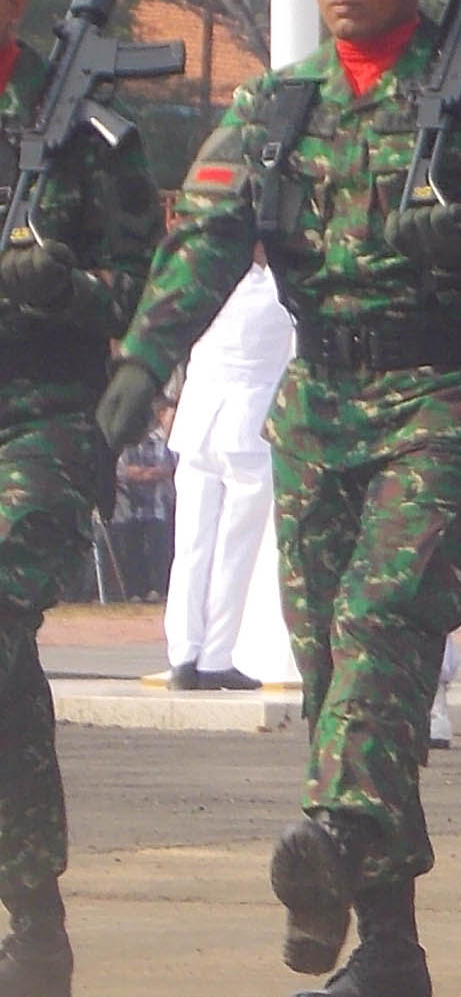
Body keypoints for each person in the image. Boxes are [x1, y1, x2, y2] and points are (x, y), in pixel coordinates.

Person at [98, 0, 461, 997]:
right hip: (321, 408)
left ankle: (330, 842)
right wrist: (126, 386)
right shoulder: (279, 107)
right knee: (337, 685)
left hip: (447, 399)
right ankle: (389, 945)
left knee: (378, 627)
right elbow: (202, 247)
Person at [1, 0, 167, 997]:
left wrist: (64, 287)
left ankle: (34, 911)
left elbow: (153, 289)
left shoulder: (89, 137)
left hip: (45, 412)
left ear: (11, 0)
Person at [161, 259, 293, 690]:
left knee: (191, 546)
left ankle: (183, 654)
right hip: (248, 427)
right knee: (234, 551)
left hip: (198, 418)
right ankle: (215, 656)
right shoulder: (284, 284)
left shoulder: (206, 277)